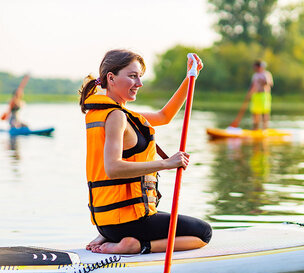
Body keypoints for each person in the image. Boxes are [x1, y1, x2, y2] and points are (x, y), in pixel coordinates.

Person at [79, 49, 212, 254]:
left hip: (106, 221)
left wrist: (190, 78)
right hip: (130, 221)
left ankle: (109, 236)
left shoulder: (103, 113)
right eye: (132, 76)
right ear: (111, 78)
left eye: (140, 77)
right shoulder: (116, 117)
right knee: (203, 233)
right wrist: (166, 163)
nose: (139, 83)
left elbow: (164, 116)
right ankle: (138, 246)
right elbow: (112, 168)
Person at [247, 60, 273, 130]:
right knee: (255, 112)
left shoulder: (266, 74)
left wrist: (262, 81)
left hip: (264, 95)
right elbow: (252, 85)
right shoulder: (255, 75)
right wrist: (249, 93)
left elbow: (270, 83)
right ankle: (255, 128)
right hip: (255, 95)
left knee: (264, 112)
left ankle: (265, 128)